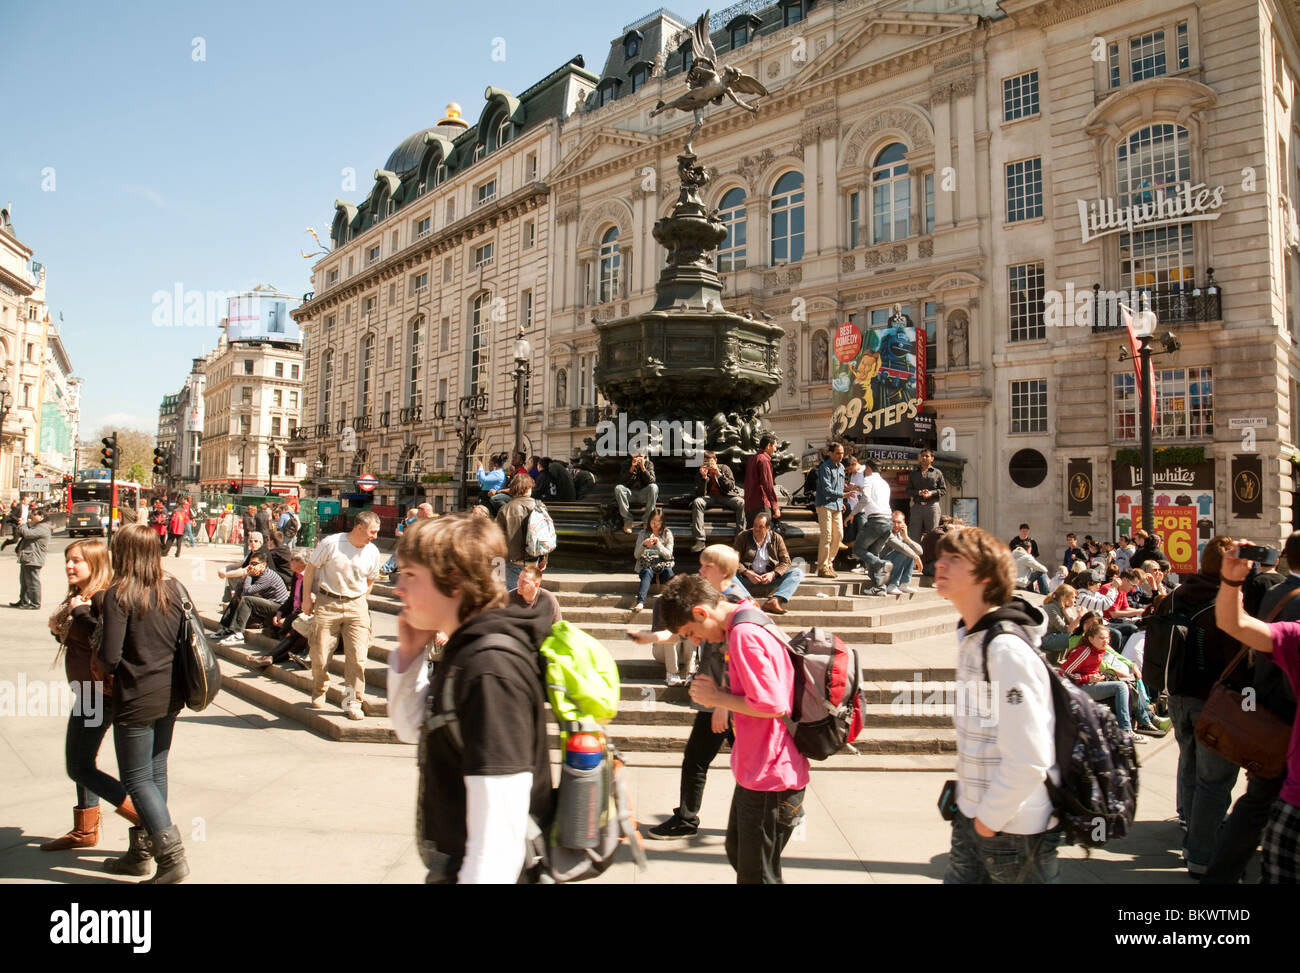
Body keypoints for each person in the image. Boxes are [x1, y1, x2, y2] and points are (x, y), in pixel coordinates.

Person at [386, 514, 556, 883]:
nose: (398, 588)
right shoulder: (467, 651)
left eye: (411, 575)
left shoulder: (489, 669)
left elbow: (498, 843)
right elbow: (413, 728)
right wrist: (410, 655)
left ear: (454, 583)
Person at [659, 573, 809, 884]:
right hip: (759, 772)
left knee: (756, 875)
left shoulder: (744, 634)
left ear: (702, 612)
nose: (697, 642)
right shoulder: (745, 618)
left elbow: (772, 704)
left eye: (692, 632)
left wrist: (717, 698)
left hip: (771, 777)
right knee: (740, 853)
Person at [933, 527, 1061, 884]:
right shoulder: (974, 638)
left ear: (986, 576)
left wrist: (988, 819)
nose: (940, 564)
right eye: (942, 556)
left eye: (955, 559)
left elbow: (1030, 755)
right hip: (977, 819)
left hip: (1014, 831)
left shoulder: (1004, 649)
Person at [95, 523, 191, 883]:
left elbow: (109, 657)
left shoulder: (119, 594)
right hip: (171, 694)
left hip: (136, 696)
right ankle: (142, 853)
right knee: (155, 773)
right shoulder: (174, 588)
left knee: (136, 779)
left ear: (122, 553)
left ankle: (171, 858)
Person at [1204, 533, 1300, 884]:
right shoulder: (1292, 615)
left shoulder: (1277, 589)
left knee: (1253, 805)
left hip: (1271, 714)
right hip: (1282, 725)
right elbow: (1237, 625)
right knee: (1255, 805)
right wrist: (1230, 581)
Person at [40, 538, 141, 853]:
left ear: (95, 565)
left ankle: (146, 816)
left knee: (79, 766)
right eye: (68, 560)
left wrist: (79, 616)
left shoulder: (98, 598)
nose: (69, 565)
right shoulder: (83, 596)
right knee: (83, 761)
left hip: (97, 695)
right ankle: (85, 830)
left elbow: (107, 639)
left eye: (77, 561)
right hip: (88, 692)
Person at [643, 546, 750, 836]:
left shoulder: (736, 602)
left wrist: (723, 705)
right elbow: (686, 631)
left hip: (725, 698)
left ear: (724, 571)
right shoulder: (714, 600)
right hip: (716, 695)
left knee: (700, 760)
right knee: (741, 759)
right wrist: (652, 637)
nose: (700, 571)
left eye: (706, 567)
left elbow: (736, 657)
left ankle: (688, 819)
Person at [1160, 535, 1242, 879]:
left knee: (1190, 764)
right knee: (1214, 781)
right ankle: (1201, 854)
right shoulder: (1226, 602)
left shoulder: (1176, 595)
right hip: (1213, 701)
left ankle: (1190, 832)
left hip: (1177, 695)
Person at [302, 511, 383, 721]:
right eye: (372, 532)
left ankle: (352, 702)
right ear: (359, 528)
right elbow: (310, 569)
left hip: (356, 604)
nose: (374, 536)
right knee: (319, 654)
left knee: (357, 658)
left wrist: (362, 599)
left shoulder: (372, 551)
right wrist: (306, 599)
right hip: (328, 602)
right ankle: (320, 686)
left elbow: (371, 579)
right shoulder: (332, 543)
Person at [1058, 617, 1146, 745]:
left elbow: (1090, 670)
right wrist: (1087, 678)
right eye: (1101, 638)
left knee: (1128, 683)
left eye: (1107, 638)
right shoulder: (1084, 651)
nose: (1106, 641)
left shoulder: (1099, 651)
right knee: (1120, 687)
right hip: (1076, 689)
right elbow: (1063, 674)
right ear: (1090, 639)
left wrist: (1098, 676)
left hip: (1088, 684)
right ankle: (1126, 730)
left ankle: (1142, 721)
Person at [247, 552, 311, 668]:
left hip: (302, 614)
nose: (290, 562)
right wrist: (280, 612)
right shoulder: (296, 577)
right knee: (272, 617)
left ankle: (269, 657)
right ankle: (269, 657)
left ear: (303, 563)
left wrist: (287, 619)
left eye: (294, 560)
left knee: (294, 634)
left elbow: (305, 605)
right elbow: (291, 599)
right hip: (294, 612)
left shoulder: (309, 578)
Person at [212, 552, 289, 646]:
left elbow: (248, 591)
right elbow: (242, 590)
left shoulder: (267, 576)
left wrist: (248, 575)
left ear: (263, 564)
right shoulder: (258, 574)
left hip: (278, 606)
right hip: (267, 601)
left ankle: (238, 634)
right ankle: (226, 627)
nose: (250, 567)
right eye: (250, 564)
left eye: (254, 564)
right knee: (238, 597)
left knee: (246, 600)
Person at [733, 512, 803, 615]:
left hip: (769, 580)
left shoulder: (776, 538)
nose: (756, 529)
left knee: (797, 572)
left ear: (768, 528)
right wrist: (746, 572)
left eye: (760, 527)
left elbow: (786, 562)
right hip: (746, 579)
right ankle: (748, 600)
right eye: (755, 525)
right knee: (727, 574)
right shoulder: (743, 536)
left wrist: (773, 574)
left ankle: (775, 601)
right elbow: (733, 560)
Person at [850, 457, 893, 591]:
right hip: (888, 521)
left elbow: (866, 498)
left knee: (858, 549)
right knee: (873, 553)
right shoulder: (884, 483)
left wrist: (853, 513)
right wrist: (858, 488)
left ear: (868, 468)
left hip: (875, 521)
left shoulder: (868, 479)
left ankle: (881, 564)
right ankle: (879, 588)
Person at [689, 450, 745, 553]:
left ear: (715, 460)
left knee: (741, 503)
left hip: (726, 496)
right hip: (710, 497)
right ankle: (700, 540)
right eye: (704, 462)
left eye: (709, 462)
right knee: (698, 502)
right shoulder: (700, 473)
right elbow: (700, 494)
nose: (707, 465)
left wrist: (719, 474)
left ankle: (740, 539)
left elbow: (730, 487)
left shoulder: (724, 468)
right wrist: (704, 478)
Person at [499, 472, 541, 592]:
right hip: (534, 558)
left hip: (513, 559)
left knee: (512, 596)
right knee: (531, 595)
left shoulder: (506, 509)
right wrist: (544, 558)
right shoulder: (539, 506)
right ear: (529, 487)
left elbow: (497, 538)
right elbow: (544, 533)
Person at [813, 442, 846, 578]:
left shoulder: (842, 467)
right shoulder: (824, 467)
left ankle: (829, 563)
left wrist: (842, 498)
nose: (841, 456)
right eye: (838, 453)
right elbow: (827, 490)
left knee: (838, 535)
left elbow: (840, 487)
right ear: (830, 453)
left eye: (842, 453)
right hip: (825, 504)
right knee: (827, 536)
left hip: (837, 505)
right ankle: (822, 567)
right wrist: (843, 495)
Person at [633, 506, 674, 612]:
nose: (655, 524)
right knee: (646, 572)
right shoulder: (643, 533)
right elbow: (636, 555)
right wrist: (644, 545)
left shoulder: (667, 533)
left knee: (669, 572)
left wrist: (658, 544)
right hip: (647, 568)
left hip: (662, 568)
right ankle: (640, 602)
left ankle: (675, 601)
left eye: (658, 522)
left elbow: (669, 555)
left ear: (663, 522)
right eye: (653, 521)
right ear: (649, 520)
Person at [12, 507, 51, 609]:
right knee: (24, 581)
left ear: (41, 516)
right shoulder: (37, 526)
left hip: (34, 558)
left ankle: (35, 603)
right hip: (28, 557)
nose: (32, 516)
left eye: (34, 514)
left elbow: (28, 534)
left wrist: (23, 524)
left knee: (33, 582)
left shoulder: (43, 527)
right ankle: (23, 601)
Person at [614, 451, 659, 534]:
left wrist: (643, 468)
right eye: (636, 454)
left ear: (644, 455)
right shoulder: (626, 464)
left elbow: (652, 481)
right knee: (618, 488)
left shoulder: (649, 464)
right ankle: (627, 520)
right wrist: (631, 468)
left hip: (643, 494)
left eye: (641, 454)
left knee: (654, 487)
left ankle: (647, 520)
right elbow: (622, 481)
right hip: (630, 494)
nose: (638, 456)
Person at [880, 509, 923, 596]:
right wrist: (915, 557)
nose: (896, 525)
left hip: (890, 566)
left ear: (903, 523)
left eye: (899, 522)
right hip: (879, 567)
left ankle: (904, 584)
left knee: (909, 551)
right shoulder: (886, 532)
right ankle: (892, 584)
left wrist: (907, 538)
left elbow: (920, 551)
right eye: (893, 522)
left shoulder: (901, 534)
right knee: (905, 551)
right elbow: (900, 547)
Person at [907, 448, 946, 542]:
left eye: (927, 456)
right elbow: (908, 490)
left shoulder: (937, 473)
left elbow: (943, 490)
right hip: (917, 507)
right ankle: (914, 557)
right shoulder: (913, 473)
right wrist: (919, 492)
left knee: (933, 535)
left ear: (932, 458)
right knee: (914, 536)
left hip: (932, 507)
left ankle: (932, 556)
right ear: (920, 458)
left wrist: (931, 493)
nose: (924, 458)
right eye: (922, 456)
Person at [742, 434, 780, 528]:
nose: (775, 449)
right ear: (768, 446)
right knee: (764, 537)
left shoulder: (752, 459)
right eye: (775, 446)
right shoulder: (764, 460)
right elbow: (768, 484)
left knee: (752, 536)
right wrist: (775, 506)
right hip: (761, 504)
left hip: (750, 505)